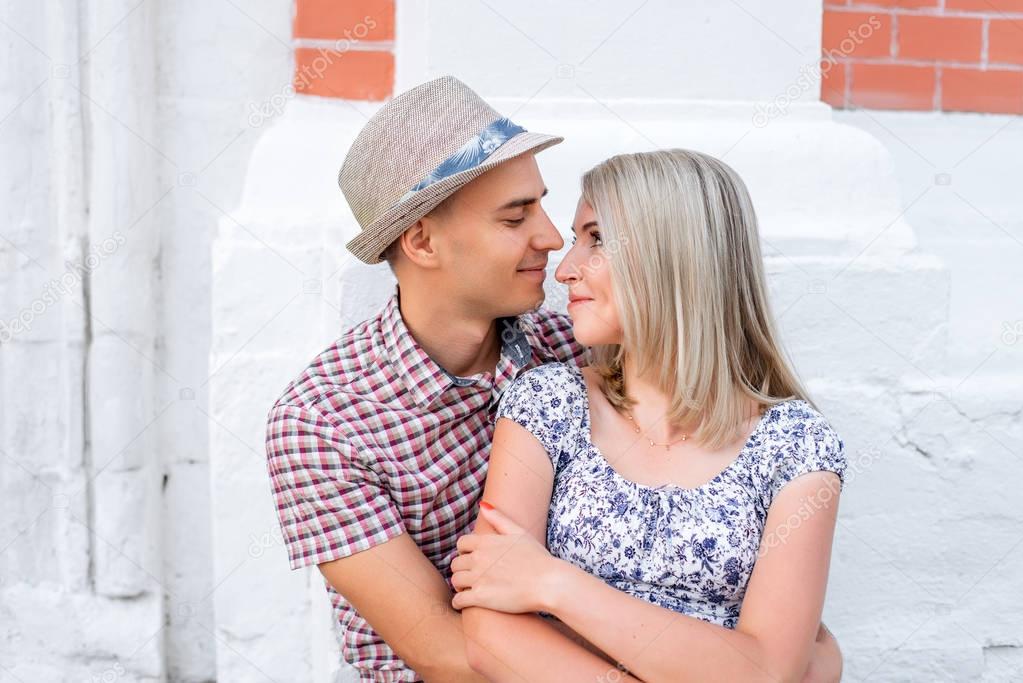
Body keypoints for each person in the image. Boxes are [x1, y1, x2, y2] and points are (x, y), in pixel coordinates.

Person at [265, 76, 843, 682]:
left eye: (542, 206)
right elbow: (446, 650)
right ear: (422, 242)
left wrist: (779, 662)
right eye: (516, 218)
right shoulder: (320, 423)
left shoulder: (575, 346)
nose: (550, 239)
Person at [451, 149, 848, 683]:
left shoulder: (796, 446)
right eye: (576, 239)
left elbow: (767, 671)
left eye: (597, 238)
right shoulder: (548, 405)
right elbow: (488, 633)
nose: (565, 270)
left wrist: (553, 583)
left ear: (674, 255)